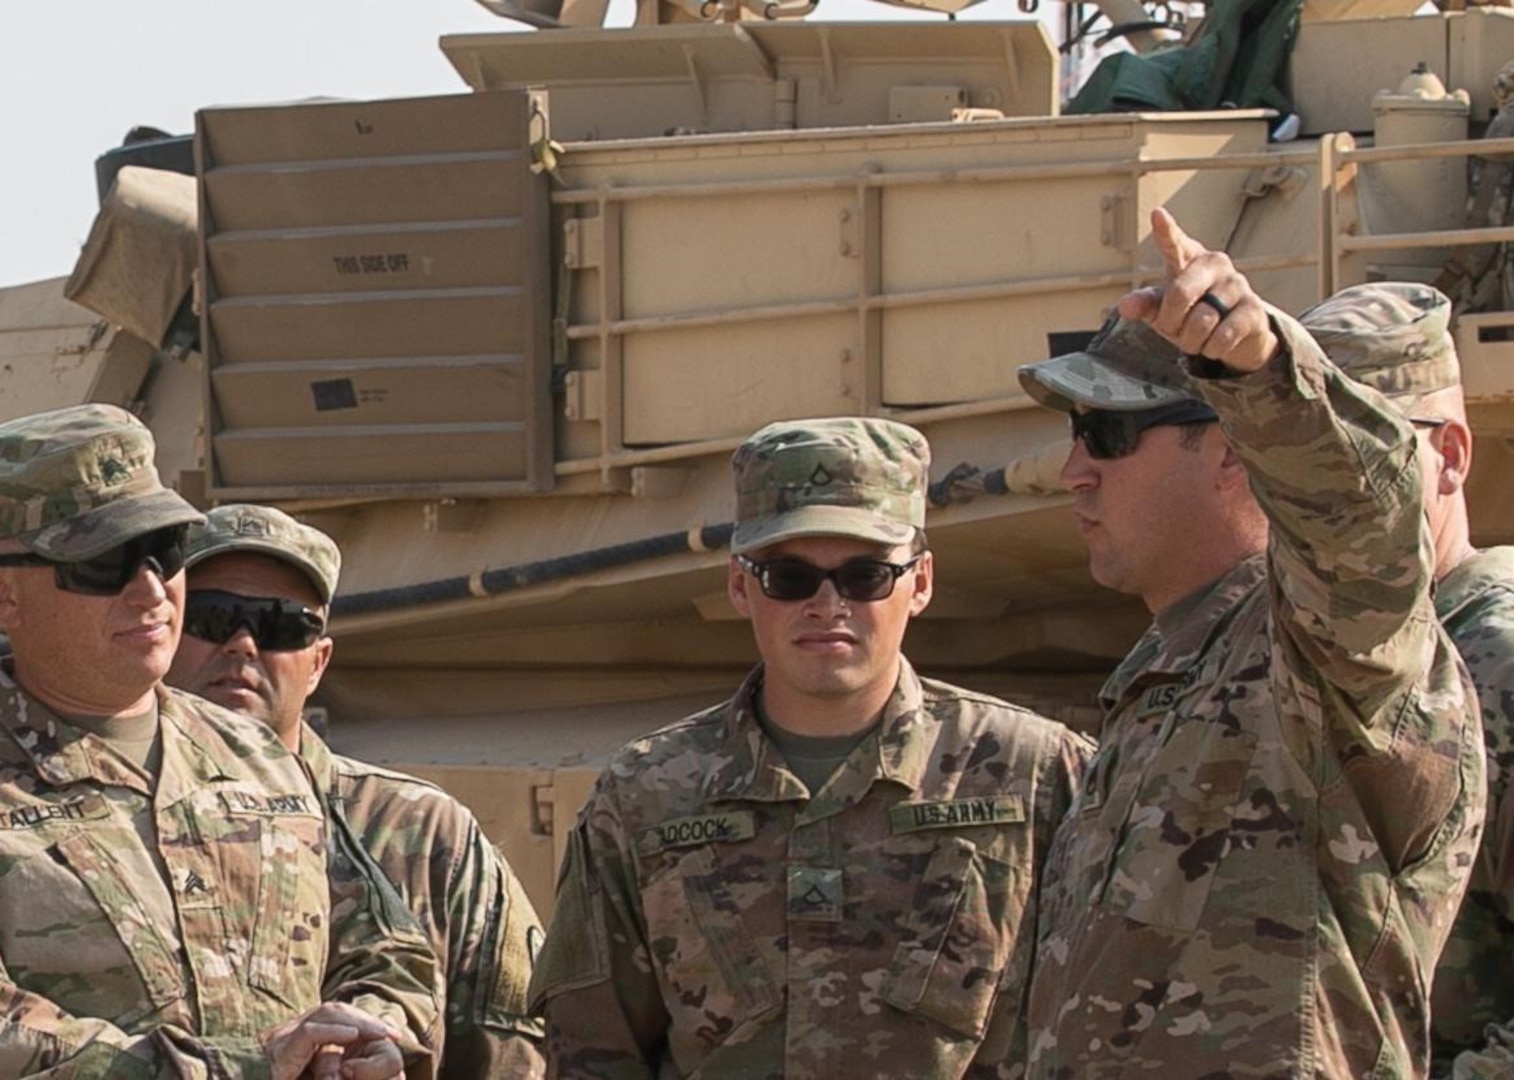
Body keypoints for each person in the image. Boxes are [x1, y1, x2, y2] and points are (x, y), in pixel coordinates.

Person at [1015, 210, 1485, 1077]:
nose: (1074, 469)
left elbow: (1368, 534)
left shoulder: (1320, 653)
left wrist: (1266, 371)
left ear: (1234, 449)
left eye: (1108, 434)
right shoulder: (1164, 678)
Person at [527, 416, 1094, 1079]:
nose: (828, 605)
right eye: (789, 578)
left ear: (921, 582)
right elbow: (592, 1049)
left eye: (865, 576)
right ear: (740, 586)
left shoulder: (1036, 773)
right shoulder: (645, 794)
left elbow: (1109, 1014)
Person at [0, 404, 438, 1079]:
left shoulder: (260, 759)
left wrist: (367, 1032)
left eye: (165, 551)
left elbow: (388, 948)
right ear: (7, 596)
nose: (150, 589)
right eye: (102, 563)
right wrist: (232, 1069)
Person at [166, 503, 548, 1080]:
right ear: (162, 627)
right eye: (213, 616)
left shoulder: (422, 835)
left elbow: (513, 1052)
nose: (244, 644)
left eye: (280, 624)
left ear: (318, 662)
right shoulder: (95, 823)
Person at [1298, 283, 1514, 1078]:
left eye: (1362, 453)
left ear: (1450, 457)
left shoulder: (1495, 661)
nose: (1328, 493)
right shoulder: (1331, 654)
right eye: (1298, 459)